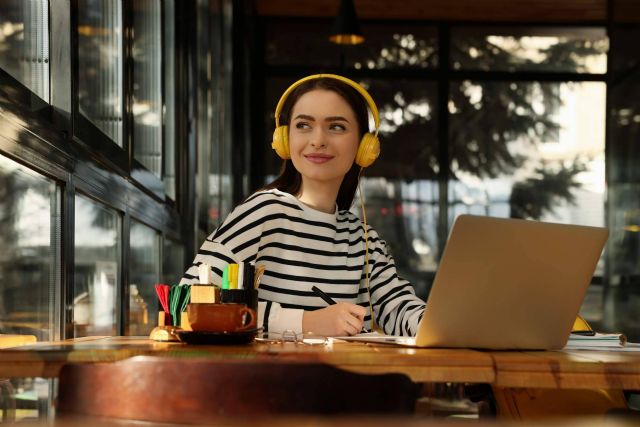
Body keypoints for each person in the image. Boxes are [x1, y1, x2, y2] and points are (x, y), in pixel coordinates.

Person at [180, 74, 425, 337]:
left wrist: (444, 324)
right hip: (268, 377)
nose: (318, 139)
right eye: (304, 125)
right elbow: (187, 304)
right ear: (285, 140)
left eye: (337, 127)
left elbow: (399, 309)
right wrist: (305, 322)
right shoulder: (263, 212)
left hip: (343, 378)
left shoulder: (363, 239)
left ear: (365, 146)